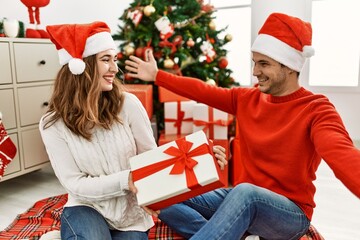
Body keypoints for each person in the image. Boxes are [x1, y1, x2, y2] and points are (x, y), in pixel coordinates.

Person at [125, 12, 360, 240]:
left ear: (289, 66)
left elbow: (341, 154)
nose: (255, 72)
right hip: (241, 198)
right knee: (158, 192)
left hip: (290, 214)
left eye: (264, 64)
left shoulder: (316, 109)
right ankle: (223, 232)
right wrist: (158, 76)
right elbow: (204, 91)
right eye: (255, 62)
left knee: (245, 193)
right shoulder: (247, 98)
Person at [39, 21, 227, 240]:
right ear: (82, 66)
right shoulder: (52, 123)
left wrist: (202, 157)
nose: (114, 69)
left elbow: (152, 160)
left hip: (131, 214)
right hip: (87, 207)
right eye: (106, 60)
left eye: (114, 60)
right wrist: (125, 180)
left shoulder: (127, 104)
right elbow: (74, 183)